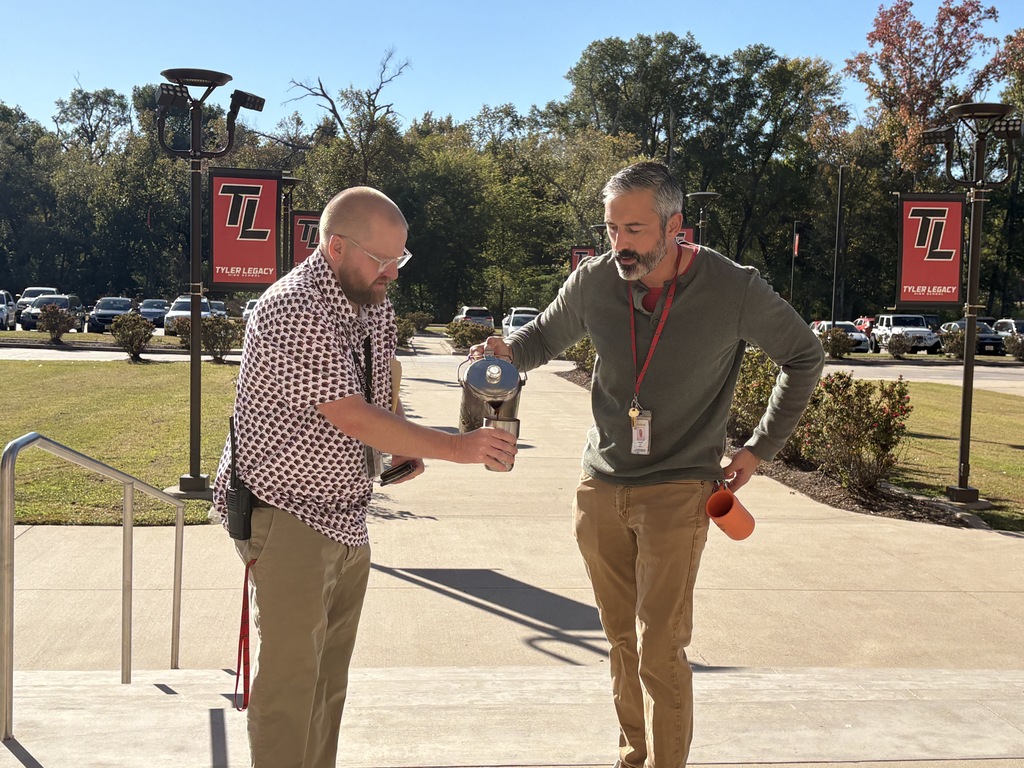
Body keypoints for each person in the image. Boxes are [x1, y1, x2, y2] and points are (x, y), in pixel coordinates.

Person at [472, 162, 824, 768]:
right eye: (611, 229)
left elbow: (804, 355)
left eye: (633, 230)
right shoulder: (592, 282)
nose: (620, 244)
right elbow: (538, 344)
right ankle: (633, 756)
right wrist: (505, 353)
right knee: (619, 643)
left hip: (680, 487)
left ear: (675, 225)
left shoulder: (732, 287)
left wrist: (760, 447)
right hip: (600, 485)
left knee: (659, 647)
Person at [212, 186, 516, 768]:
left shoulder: (369, 297)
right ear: (334, 246)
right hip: (287, 512)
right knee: (288, 689)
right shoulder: (294, 308)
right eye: (382, 260)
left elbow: (377, 386)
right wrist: (457, 447)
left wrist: (400, 441)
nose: (392, 274)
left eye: (401, 259)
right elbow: (349, 412)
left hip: (346, 516)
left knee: (328, 686)